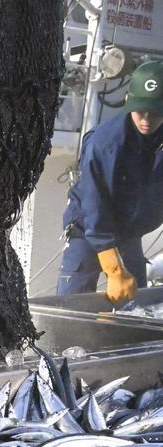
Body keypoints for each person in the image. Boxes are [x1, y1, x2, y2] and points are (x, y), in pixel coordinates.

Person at [57, 59, 163, 301]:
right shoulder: (105, 144)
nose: (147, 119)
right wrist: (114, 268)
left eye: (156, 112)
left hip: (130, 232)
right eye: (141, 110)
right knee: (72, 304)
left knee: (137, 305)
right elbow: (94, 205)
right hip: (88, 231)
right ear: (127, 101)